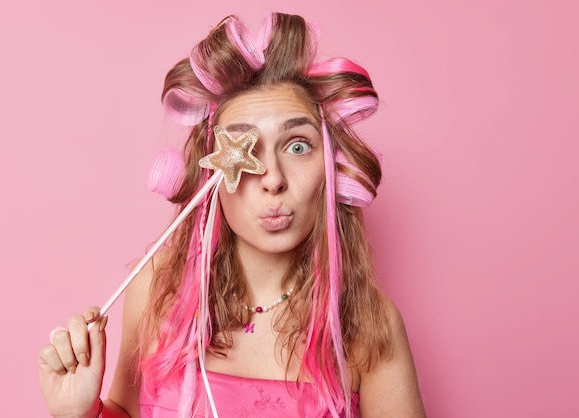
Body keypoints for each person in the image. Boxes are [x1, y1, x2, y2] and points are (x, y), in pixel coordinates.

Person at [38, 12, 426, 418]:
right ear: (211, 174)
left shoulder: (368, 324)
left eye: (297, 146)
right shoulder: (156, 290)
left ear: (330, 165)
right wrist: (80, 414)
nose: (272, 179)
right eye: (246, 150)